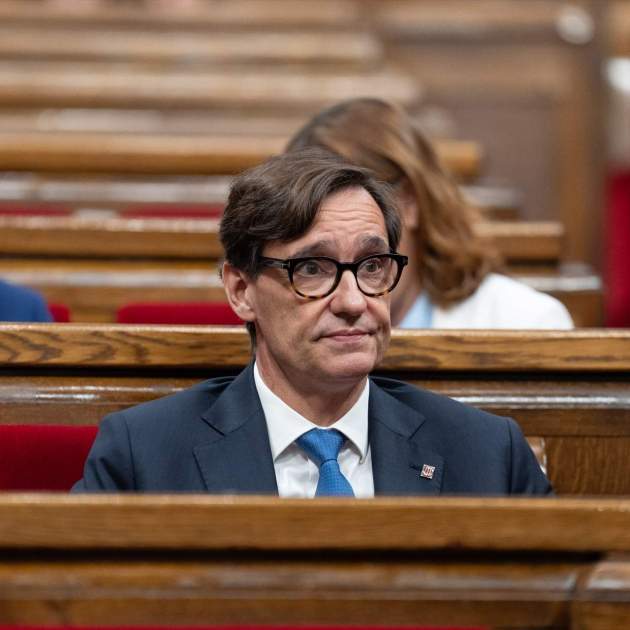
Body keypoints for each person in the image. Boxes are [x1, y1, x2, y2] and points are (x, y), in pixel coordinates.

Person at [73, 148, 551, 496]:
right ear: (241, 291)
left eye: (372, 266)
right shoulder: (143, 456)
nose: (353, 301)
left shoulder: (487, 454)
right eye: (312, 269)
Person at [286, 98, 573, 329]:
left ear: (410, 201)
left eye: (357, 210)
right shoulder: (284, 325)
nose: (347, 295)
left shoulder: (527, 321)